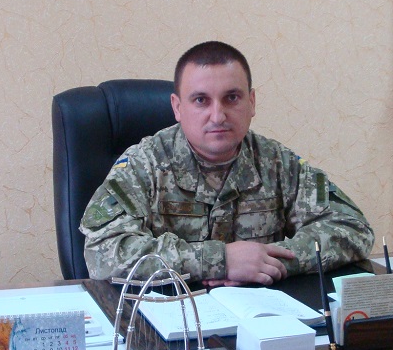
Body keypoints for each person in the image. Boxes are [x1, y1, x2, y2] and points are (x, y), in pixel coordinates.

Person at [80, 41, 375, 284]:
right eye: (201, 100)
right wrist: (219, 261)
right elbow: (102, 253)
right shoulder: (144, 164)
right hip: (167, 318)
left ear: (252, 102)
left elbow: (353, 228)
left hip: (260, 319)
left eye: (231, 98)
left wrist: (270, 262)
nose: (218, 116)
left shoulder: (277, 163)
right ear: (177, 108)